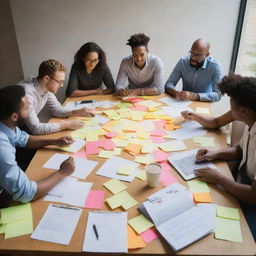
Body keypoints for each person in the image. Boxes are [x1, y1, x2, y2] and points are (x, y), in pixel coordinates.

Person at [194, 74, 256, 240]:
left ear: (243, 110)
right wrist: (216, 153)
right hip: (244, 184)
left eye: (231, 106)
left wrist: (219, 178)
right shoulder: (252, 124)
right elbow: (240, 151)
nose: (230, 110)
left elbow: (253, 196)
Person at [0, 85, 75, 208]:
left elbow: (25, 139)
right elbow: (26, 193)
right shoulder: (2, 147)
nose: (30, 109)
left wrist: (54, 141)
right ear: (14, 116)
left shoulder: (6, 124)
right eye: (26, 108)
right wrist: (62, 173)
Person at [18, 59, 94, 135]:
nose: (62, 85)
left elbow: (56, 109)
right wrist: (66, 124)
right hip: (14, 133)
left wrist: (76, 112)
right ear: (47, 79)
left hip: (24, 127)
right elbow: (36, 129)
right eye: (60, 82)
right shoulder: (27, 94)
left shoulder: (44, 87)